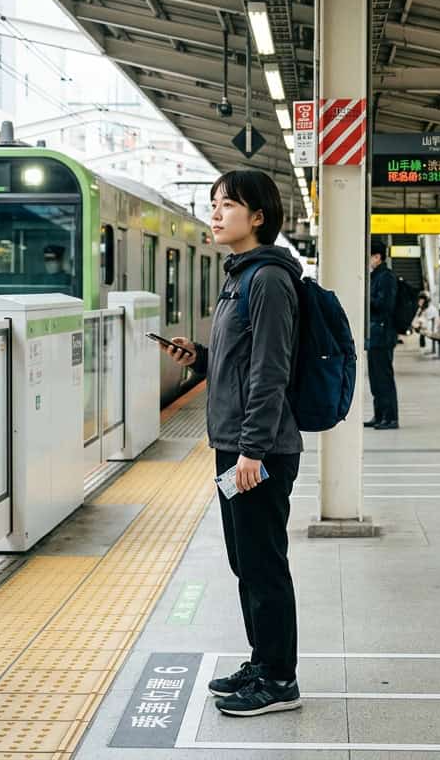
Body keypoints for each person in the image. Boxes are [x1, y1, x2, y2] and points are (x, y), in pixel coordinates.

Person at [161, 170, 303, 717]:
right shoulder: (238, 277)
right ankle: (262, 660)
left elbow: (270, 371)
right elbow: (241, 361)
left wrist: (252, 452)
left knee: (264, 563)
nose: (215, 214)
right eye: (213, 204)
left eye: (227, 205)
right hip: (236, 444)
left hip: (257, 450)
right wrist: (197, 354)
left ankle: (280, 680)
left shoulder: (266, 279)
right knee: (246, 560)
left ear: (258, 217)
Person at [365, 241, 399, 430]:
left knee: (384, 377)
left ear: (377, 257)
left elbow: (385, 305)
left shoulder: (386, 277)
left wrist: (366, 297)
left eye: (370, 256)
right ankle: (379, 415)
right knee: (375, 377)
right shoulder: (376, 276)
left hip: (384, 333)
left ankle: (391, 417)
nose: (368, 260)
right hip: (376, 333)